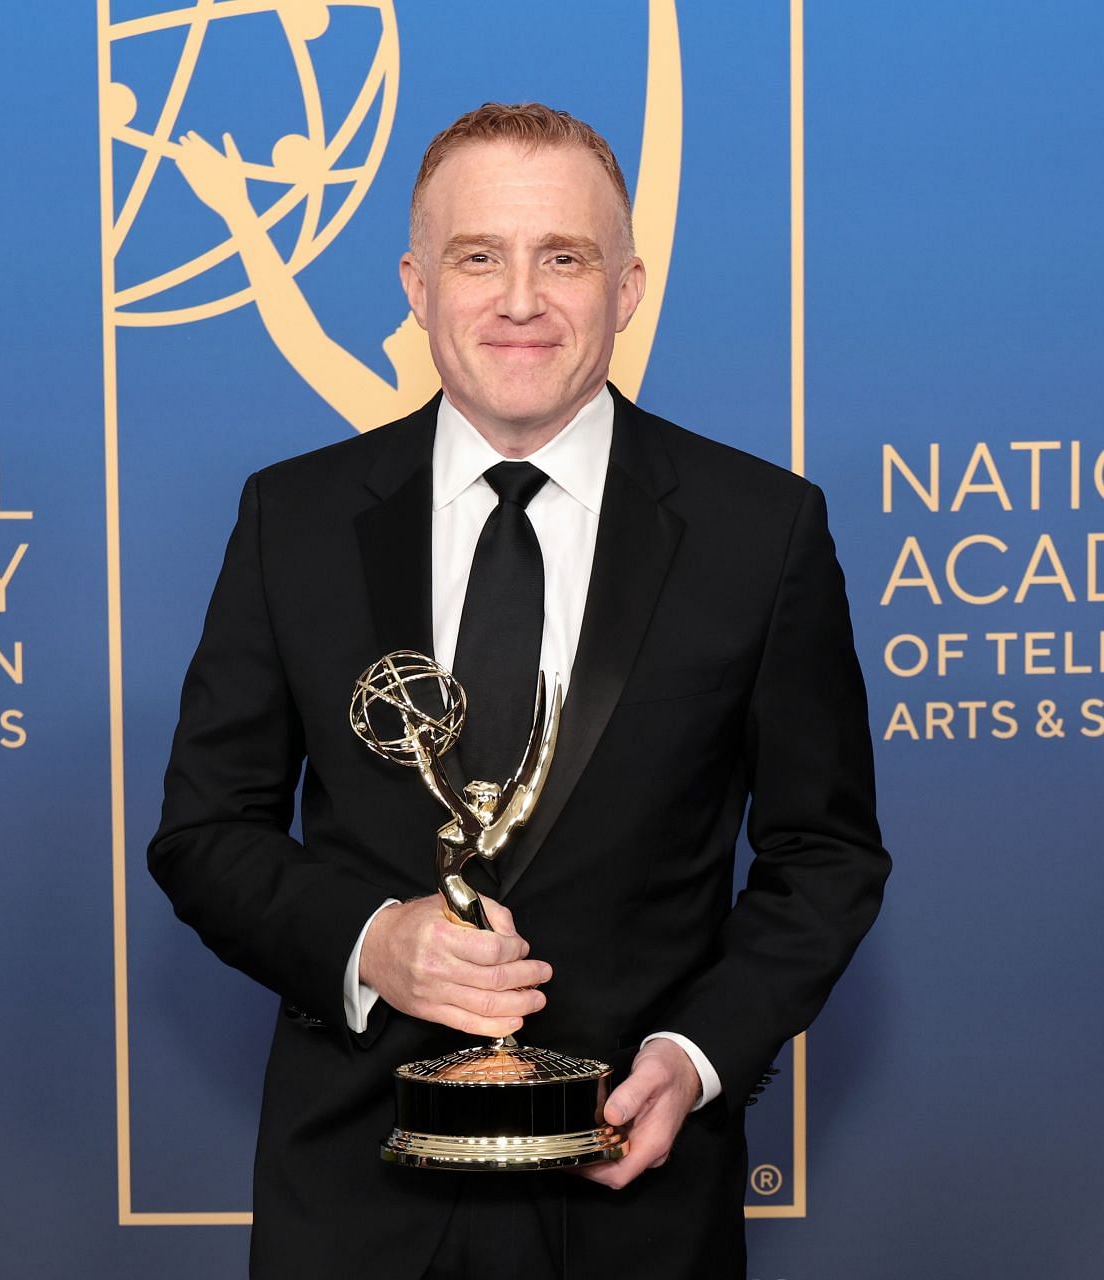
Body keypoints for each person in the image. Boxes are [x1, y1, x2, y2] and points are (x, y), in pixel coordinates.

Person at [150, 102, 889, 1280]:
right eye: (478, 255)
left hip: (632, 1202)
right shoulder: (290, 519)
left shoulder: (762, 532)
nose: (520, 298)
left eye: (565, 256)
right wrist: (372, 940)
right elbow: (205, 832)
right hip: (355, 1194)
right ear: (415, 281)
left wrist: (694, 1054)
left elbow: (825, 853)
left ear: (631, 285)